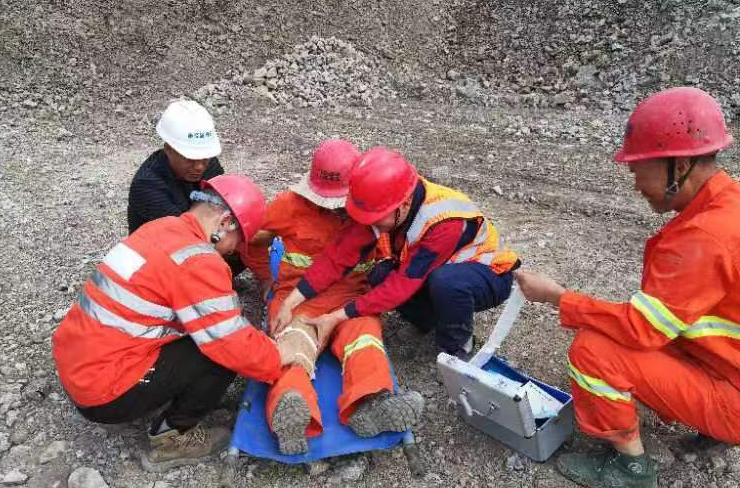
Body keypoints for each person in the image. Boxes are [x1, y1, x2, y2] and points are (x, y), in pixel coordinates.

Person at [515, 87, 739, 488]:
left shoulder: (705, 237)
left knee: (594, 351)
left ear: (680, 165)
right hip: (727, 366)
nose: (635, 183)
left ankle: (632, 469)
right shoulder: (726, 205)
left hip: (733, 395)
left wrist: (556, 297)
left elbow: (641, 328)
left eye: (638, 169)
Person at [53, 174, 295, 473]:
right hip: (102, 391)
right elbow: (231, 343)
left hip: (77, 364)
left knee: (211, 337)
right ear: (225, 223)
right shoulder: (198, 260)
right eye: (238, 241)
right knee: (219, 355)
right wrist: (278, 357)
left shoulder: (161, 227)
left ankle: (160, 393)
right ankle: (172, 437)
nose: (233, 251)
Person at [241, 140, 423, 455]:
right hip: (298, 299)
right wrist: (264, 278)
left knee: (365, 340)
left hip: (352, 301)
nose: (333, 208)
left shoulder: (375, 212)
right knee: (291, 347)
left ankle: (372, 403)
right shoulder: (289, 205)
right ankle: (291, 410)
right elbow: (250, 238)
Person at [274, 146, 520, 362]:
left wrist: (337, 316)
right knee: (380, 274)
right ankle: (432, 320)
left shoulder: (445, 223)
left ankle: (457, 347)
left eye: (375, 219)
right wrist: (291, 302)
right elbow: (339, 256)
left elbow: (402, 284)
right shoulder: (386, 201)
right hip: (437, 268)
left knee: (446, 282)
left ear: (403, 206)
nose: (368, 224)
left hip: (488, 275)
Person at [127, 99, 224, 234]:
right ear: (168, 149)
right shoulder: (147, 186)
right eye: (190, 158)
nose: (200, 166)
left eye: (205, 157)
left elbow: (223, 202)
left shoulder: (208, 163)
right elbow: (186, 234)